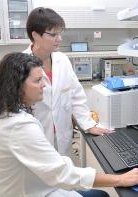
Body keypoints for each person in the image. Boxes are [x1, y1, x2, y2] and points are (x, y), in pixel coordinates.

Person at [0, 52, 138, 197]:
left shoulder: (5, 114)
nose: (44, 85)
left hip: (35, 186)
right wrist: (120, 179)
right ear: (17, 86)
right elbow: (62, 174)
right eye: (37, 81)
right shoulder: (19, 126)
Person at [24, 7, 111, 156]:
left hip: (62, 136)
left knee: (64, 173)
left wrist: (89, 125)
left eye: (60, 33)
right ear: (35, 35)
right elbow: (5, 101)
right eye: (53, 34)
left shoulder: (62, 60)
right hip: (34, 139)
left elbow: (76, 96)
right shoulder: (20, 63)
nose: (60, 39)